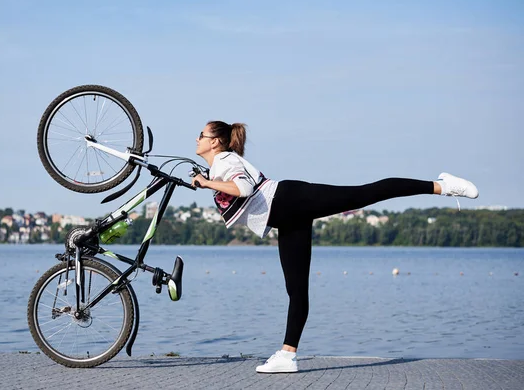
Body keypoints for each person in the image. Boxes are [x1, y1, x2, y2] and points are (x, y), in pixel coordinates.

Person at [192, 120, 479, 373]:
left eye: (201, 134)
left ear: (215, 142)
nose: (197, 139)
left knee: (368, 193)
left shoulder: (225, 161)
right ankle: (287, 356)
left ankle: (443, 186)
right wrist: (206, 181)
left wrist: (207, 183)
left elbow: (242, 189)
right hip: (288, 216)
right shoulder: (219, 166)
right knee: (296, 289)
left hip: (292, 200)